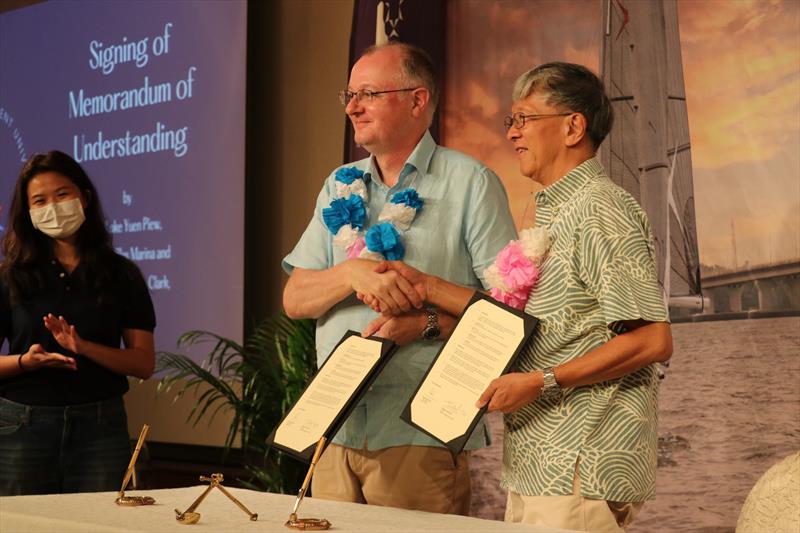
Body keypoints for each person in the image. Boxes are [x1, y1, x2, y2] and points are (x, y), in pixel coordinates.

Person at [363, 62, 673, 532]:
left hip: (580, 460)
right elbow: (522, 320)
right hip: (540, 459)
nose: (512, 133)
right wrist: (425, 286)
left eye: (525, 119)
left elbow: (653, 340)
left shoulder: (601, 209)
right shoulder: (557, 209)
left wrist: (541, 381)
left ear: (573, 127)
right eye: (511, 121)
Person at [282, 42, 516, 514]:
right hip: (335, 428)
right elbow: (296, 299)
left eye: (367, 93)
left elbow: (508, 315)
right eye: (348, 94)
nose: (351, 107)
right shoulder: (338, 184)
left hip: (419, 431)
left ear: (417, 100)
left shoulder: (470, 182)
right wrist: (351, 272)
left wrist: (425, 325)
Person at [0, 151, 156, 495]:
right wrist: (27, 361)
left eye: (62, 195)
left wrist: (84, 347)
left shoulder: (120, 274)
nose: (52, 207)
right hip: (22, 425)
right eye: (39, 200)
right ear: (28, 212)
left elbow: (143, 363)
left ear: (84, 197)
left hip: (100, 426)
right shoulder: (11, 276)